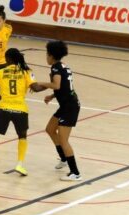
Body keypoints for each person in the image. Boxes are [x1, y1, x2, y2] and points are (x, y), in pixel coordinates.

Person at [0, 48, 45, 178]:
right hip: (21, 110)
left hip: (4, 109)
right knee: (22, 137)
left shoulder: (0, 72)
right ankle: (20, 164)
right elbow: (36, 88)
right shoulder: (26, 72)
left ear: (8, 59)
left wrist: (6, 100)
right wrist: (50, 85)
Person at [37, 41, 82, 181]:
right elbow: (63, 87)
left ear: (51, 55)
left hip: (70, 107)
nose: (46, 57)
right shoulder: (63, 66)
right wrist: (51, 96)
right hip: (66, 105)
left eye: (47, 54)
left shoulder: (56, 68)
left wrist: (41, 83)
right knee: (50, 129)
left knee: (63, 139)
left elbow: (56, 85)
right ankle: (63, 159)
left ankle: (75, 173)